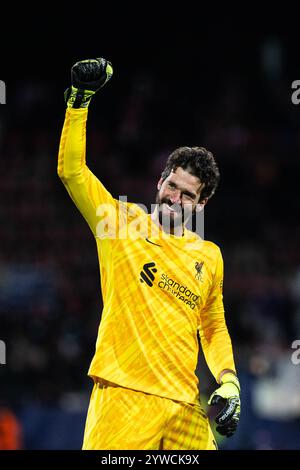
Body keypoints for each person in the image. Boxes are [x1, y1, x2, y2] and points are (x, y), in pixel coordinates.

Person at [57, 58, 241, 450]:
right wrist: (79, 102)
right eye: (171, 185)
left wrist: (229, 380)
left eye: (187, 194)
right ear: (160, 180)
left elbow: (213, 326)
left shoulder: (209, 256)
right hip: (123, 395)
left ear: (202, 203)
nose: (174, 198)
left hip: (184, 408)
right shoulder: (117, 223)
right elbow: (72, 172)